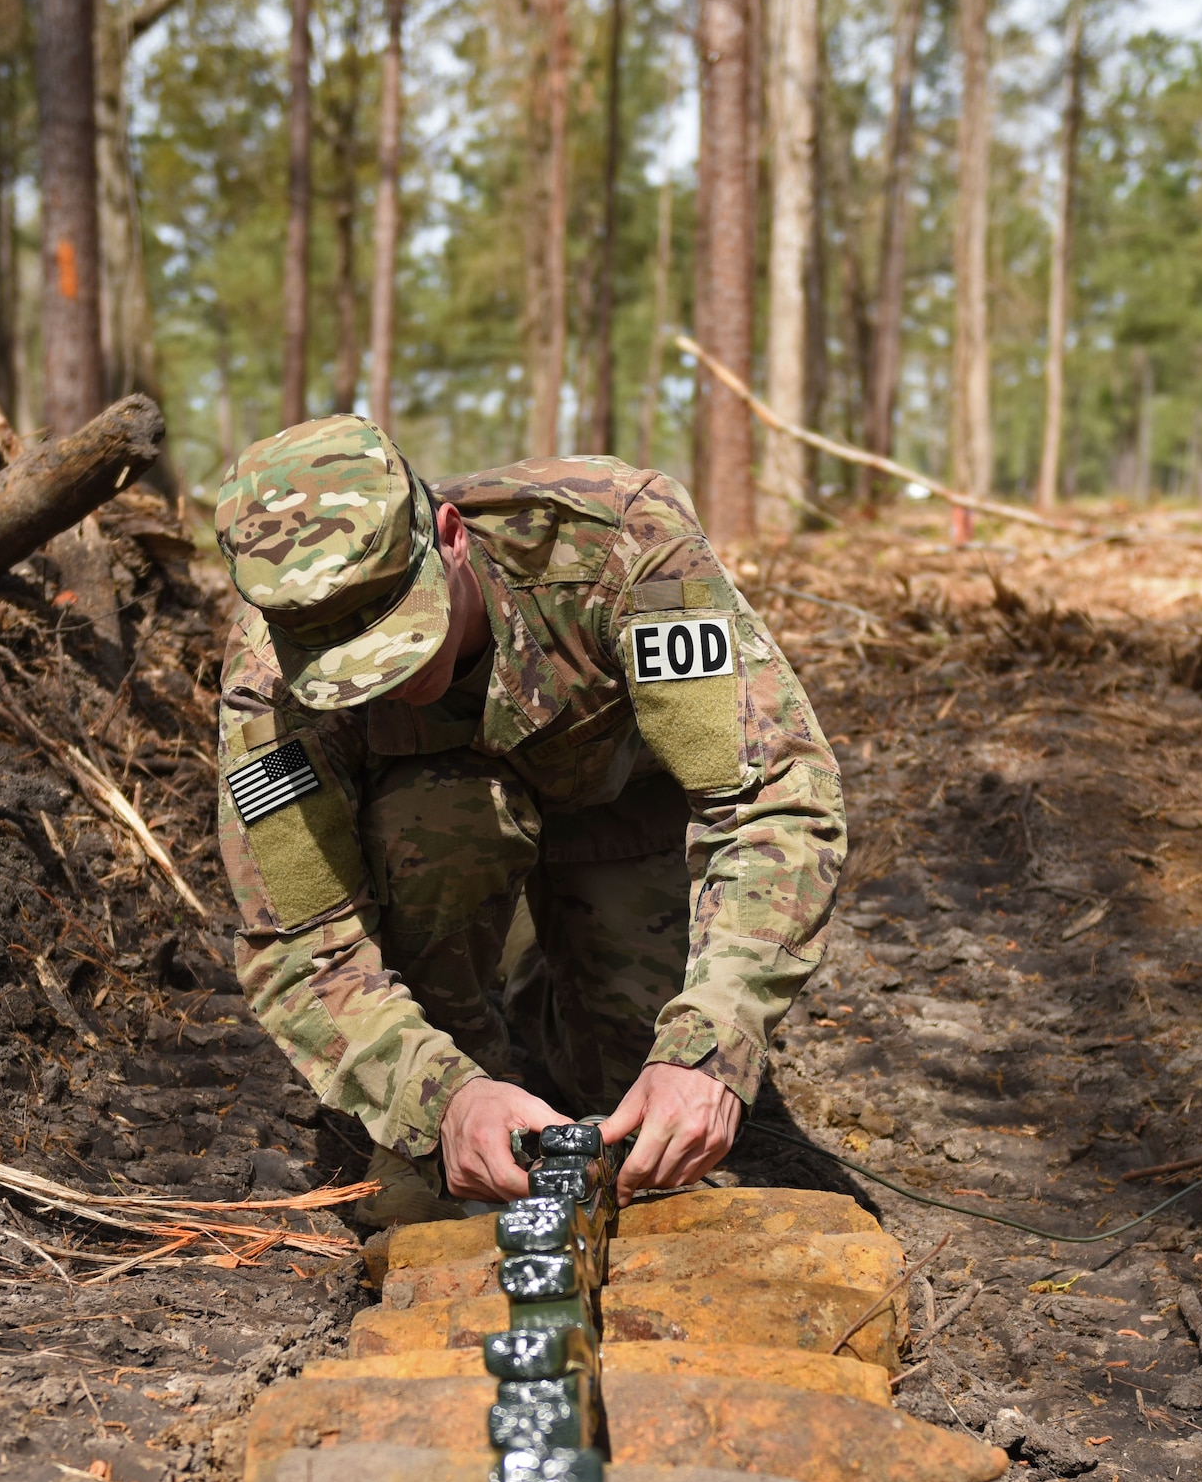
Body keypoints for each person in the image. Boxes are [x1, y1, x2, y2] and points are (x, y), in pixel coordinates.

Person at [214, 415, 845, 1221]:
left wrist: (711, 1043)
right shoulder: (267, 685)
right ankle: (469, 1078)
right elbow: (302, 941)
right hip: (444, 846)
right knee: (437, 816)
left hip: (622, 812)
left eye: (398, 636)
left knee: (637, 1118)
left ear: (448, 536)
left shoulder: (621, 545)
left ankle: (543, 993)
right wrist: (439, 1098)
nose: (376, 685)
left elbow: (774, 798)